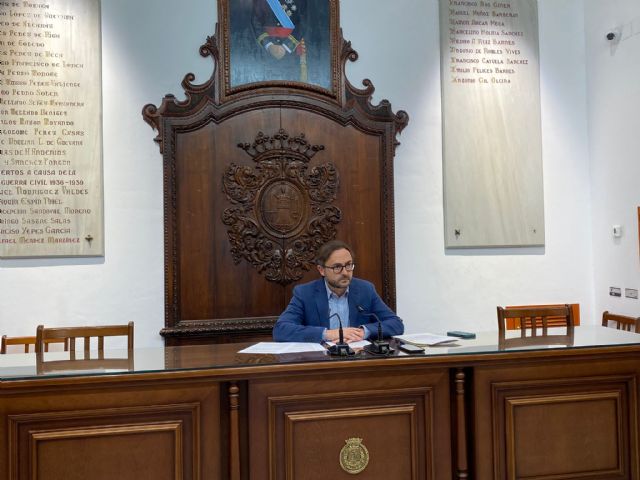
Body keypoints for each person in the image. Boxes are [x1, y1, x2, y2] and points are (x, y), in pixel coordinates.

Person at [273, 240, 404, 343]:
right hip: (321, 361)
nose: (345, 272)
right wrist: (328, 334)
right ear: (321, 270)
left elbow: (396, 324)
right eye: (337, 267)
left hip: (358, 358)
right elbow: (281, 329)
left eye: (348, 265)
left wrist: (363, 332)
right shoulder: (305, 293)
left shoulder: (365, 290)